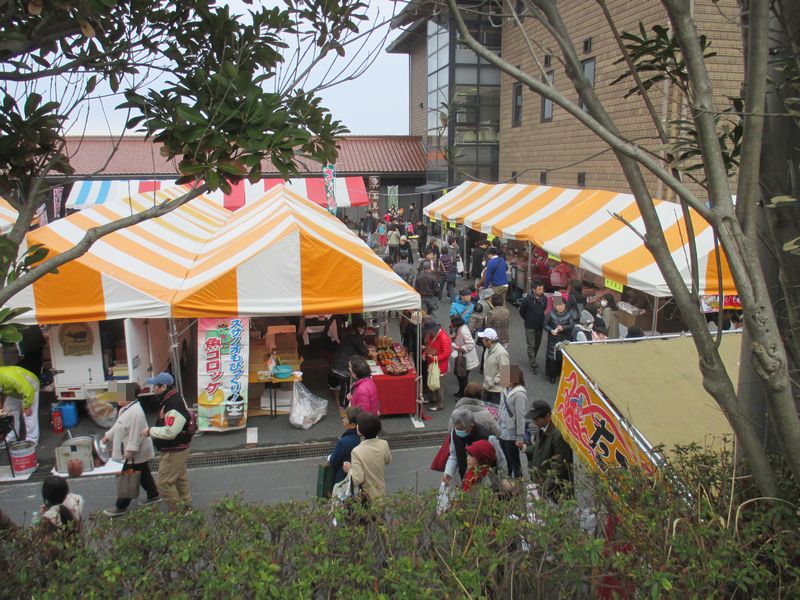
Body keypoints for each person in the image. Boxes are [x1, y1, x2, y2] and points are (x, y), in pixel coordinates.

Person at [102, 385, 161, 517]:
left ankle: (121, 505)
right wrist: (108, 436)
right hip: (137, 451)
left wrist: (130, 451)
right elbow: (118, 426)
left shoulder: (135, 412)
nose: (117, 398)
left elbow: (136, 434)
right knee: (143, 472)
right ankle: (153, 494)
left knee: (128, 475)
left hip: (134, 452)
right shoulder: (126, 409)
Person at [141, 372, 192, 511]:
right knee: (180, 477)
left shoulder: (173, 404)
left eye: (155, 386)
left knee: (163, 483)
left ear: (163, 387)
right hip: (179, 446)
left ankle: (178, 511)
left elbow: (171, 432)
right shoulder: (174, 398)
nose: (153, 389)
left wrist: (150, 431)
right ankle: (186, 507)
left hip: (174, 449)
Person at [442, 407, 506, 488]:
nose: (457, 431)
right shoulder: (454, 433)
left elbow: (501, 461)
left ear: (471, 426)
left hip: (487, 482)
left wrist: (504, 480)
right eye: (456, 428)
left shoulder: (487, 437)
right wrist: (448, 472)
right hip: (465, 478)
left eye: (460, 429)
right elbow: (454, 455)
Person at [526, 400, 573, 502]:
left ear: (548, 416)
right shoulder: (541, 428)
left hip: (555, 490)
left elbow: (558, 468)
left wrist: (542, 492)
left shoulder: (558, 435)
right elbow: (539, 451)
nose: (534, 422)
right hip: (542, 483)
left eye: (536, 419)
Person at [343, 412, 392, 503]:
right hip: (381, 492)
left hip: (367, 497)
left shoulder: (357, 451)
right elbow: (388, 460)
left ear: (360, 430)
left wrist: (349, 469)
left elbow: (357, 479)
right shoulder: (384, 444)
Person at [328, 316, 370, 406]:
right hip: (343, 367)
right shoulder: (356, 338)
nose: (364, 330)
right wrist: (367, 348)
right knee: (346, 385)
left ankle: (345, 401)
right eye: (363, 328)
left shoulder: (349, 335)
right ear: (360, 328)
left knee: (345, 385)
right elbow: (365, 352)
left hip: (338, 363)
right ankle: (344, 404)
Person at [498, 365, 529, 478]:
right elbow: (501, 407)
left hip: (512, 432)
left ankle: (518, 480)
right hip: (502, 429)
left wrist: (520, 436)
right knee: (505, 457)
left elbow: (520, 416)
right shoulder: (505, 389)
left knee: (513, 460)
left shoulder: (519, 394)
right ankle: (509, 479)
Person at [0, 365, 40, 445]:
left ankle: (32, 440)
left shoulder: (10, 377)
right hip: (15, 391)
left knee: (28, 415)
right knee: (8, 412)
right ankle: (11, 438)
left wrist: (26, 406)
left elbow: (28, 391)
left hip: (31, 388)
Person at [544, 296, 575, 383]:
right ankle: (552, 376)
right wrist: (551, 330)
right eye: (558, 305)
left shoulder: (569, 314)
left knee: (561, 358)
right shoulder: (550, 313)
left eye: (562, 305)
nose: (560, 307)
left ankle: (560, 373)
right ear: (555, 305)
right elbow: (545, 324)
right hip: (553, 340)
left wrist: (563, 328)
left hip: (564, 340)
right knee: (551, 358)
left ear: (565, 305)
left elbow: (572, 326)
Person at [422, 319, 452, 411]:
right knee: (431, 382)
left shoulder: (444, 338)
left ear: (433, 330)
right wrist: (425, 353)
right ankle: (432, 398)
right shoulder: (433, 335)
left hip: (439, 366)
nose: (428, 334)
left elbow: (446, 353)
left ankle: (439, 404)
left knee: (438, 385)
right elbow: (429, 346)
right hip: (432, 364)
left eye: (428, 332)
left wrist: (434, 358)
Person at [519, 279, 548, 373]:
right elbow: (522, 311)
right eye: (539, 289)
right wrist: (528, 319)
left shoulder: (544, 299)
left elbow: (544, 309)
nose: (541, 291)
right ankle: (532, 363)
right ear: (533, 289)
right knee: (531, 345)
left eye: (542, 289)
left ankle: (533, 358)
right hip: (530, 326)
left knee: (537, 344)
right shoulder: (527, 299)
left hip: (540, 325)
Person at [329, 406, 362, 484]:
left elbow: (334, 460)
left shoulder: (344, 442)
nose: (343, 419)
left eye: (345, 418)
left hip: (344, 479)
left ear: (353, 425)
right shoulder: (363, 439)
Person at [477, 328, 509, 403]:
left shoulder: (501, 352)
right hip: (487, 387)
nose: (482, 340)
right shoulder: (488, 349)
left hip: (496, 392)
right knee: (485, 408)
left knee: (494, 410)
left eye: (483, 339)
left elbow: (506, 372)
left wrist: (493, 382)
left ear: (489, 341)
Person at [450, 315, 479, 397]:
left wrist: (459, 347)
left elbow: (471, 344)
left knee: (462, 376)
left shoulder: (463, 330)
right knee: (461, 375)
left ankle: (465, 394)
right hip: (463, 356)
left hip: (466, 357)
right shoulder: (461, 328)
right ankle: (462, 392)